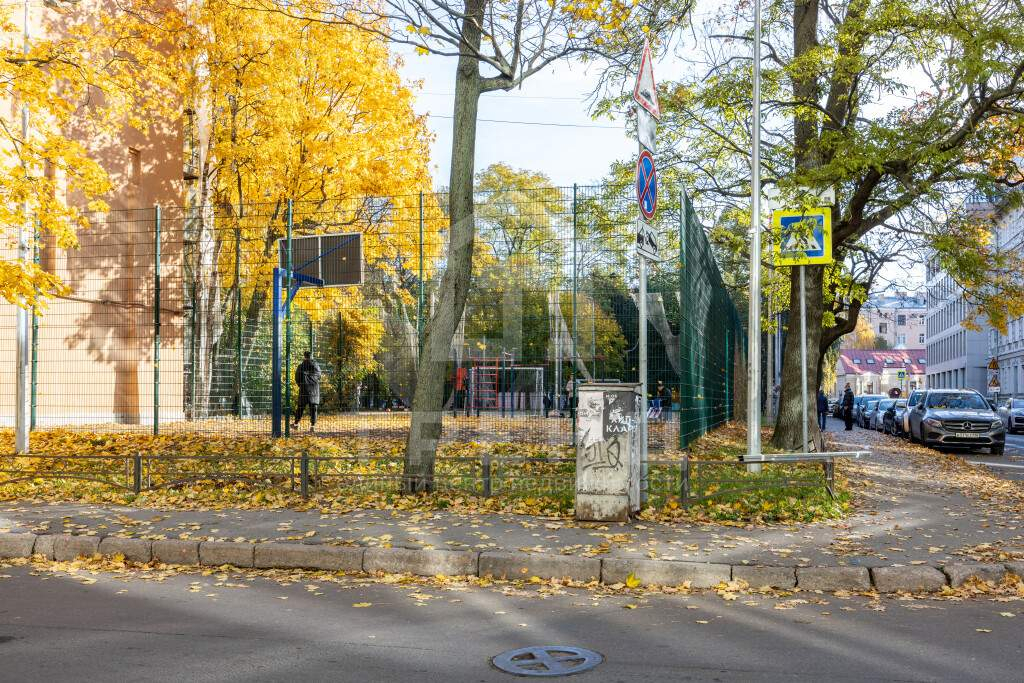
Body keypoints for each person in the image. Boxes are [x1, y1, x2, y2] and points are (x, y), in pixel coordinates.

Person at [292, 351, 321, 433]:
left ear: (304, 357)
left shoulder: (301, 366)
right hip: (314, 390)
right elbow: (319, 376)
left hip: (304, 389)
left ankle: (296, 424)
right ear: (311, 356)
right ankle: (312, 426)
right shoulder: (316, 366)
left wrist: (301, 385)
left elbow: (297, 378)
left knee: (300, 408)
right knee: (313, 409)